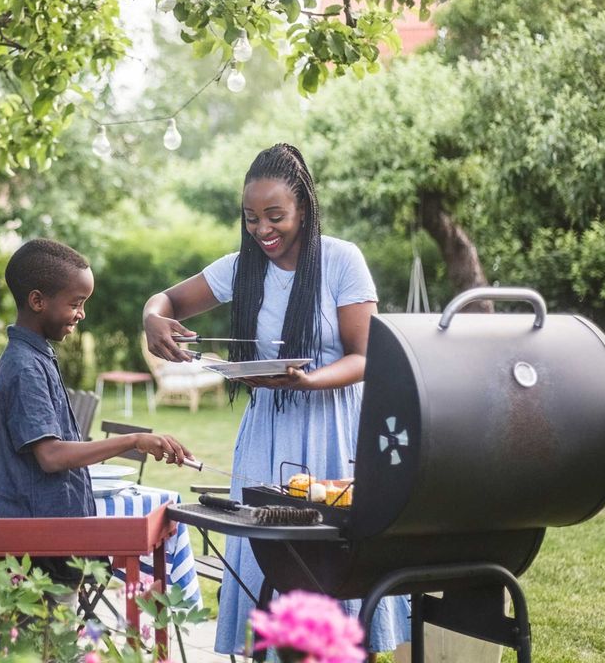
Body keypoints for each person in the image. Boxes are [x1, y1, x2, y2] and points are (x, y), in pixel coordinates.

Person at [142, 143, 411, 659]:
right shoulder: (240, 267)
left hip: (334, 432)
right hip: (266, 435)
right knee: (262, 561)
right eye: (250, 218)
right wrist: (152, 317)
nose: (262, 230)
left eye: (274, 216)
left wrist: (308, 382)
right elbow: (168, 300)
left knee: (336, 564)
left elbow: (366, 356)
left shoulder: (341, 260)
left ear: (303, 210)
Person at [0, 238, 191, 586]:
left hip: (51, 534)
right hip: (35, 547)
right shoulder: (25, 367)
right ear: (37, 301)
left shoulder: (37, 356)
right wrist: (135, 440)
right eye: (76, 303)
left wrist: (136, 443)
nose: (82, 314)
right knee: (44, 636)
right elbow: (50, 455)